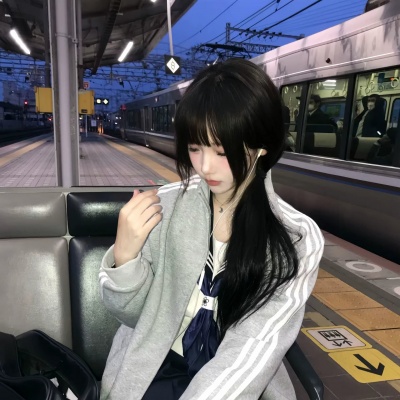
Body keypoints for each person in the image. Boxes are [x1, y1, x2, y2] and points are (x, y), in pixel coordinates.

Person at [99, 59, 324, 400]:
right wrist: (125, 257)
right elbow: (134, 318)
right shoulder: (165, 207)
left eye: (222, 151)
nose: (204, 167)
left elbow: (251, 348)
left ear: (262, 145)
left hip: (240, 380)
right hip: (155, 368)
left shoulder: (296, 239)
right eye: (194, 148)